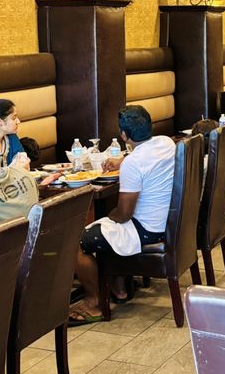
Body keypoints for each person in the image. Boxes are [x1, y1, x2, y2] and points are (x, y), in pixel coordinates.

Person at [70, 105, 175, 325]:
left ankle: (94, 302)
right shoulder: (166, 143)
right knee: (106, 229)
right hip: (167, 221)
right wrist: (123, 160)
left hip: (148, 230)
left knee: (76, 242)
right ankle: (119, 289)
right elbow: (144, 157)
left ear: (124, 135)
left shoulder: (133, 163)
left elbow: (124, 214)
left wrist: (110, 217)